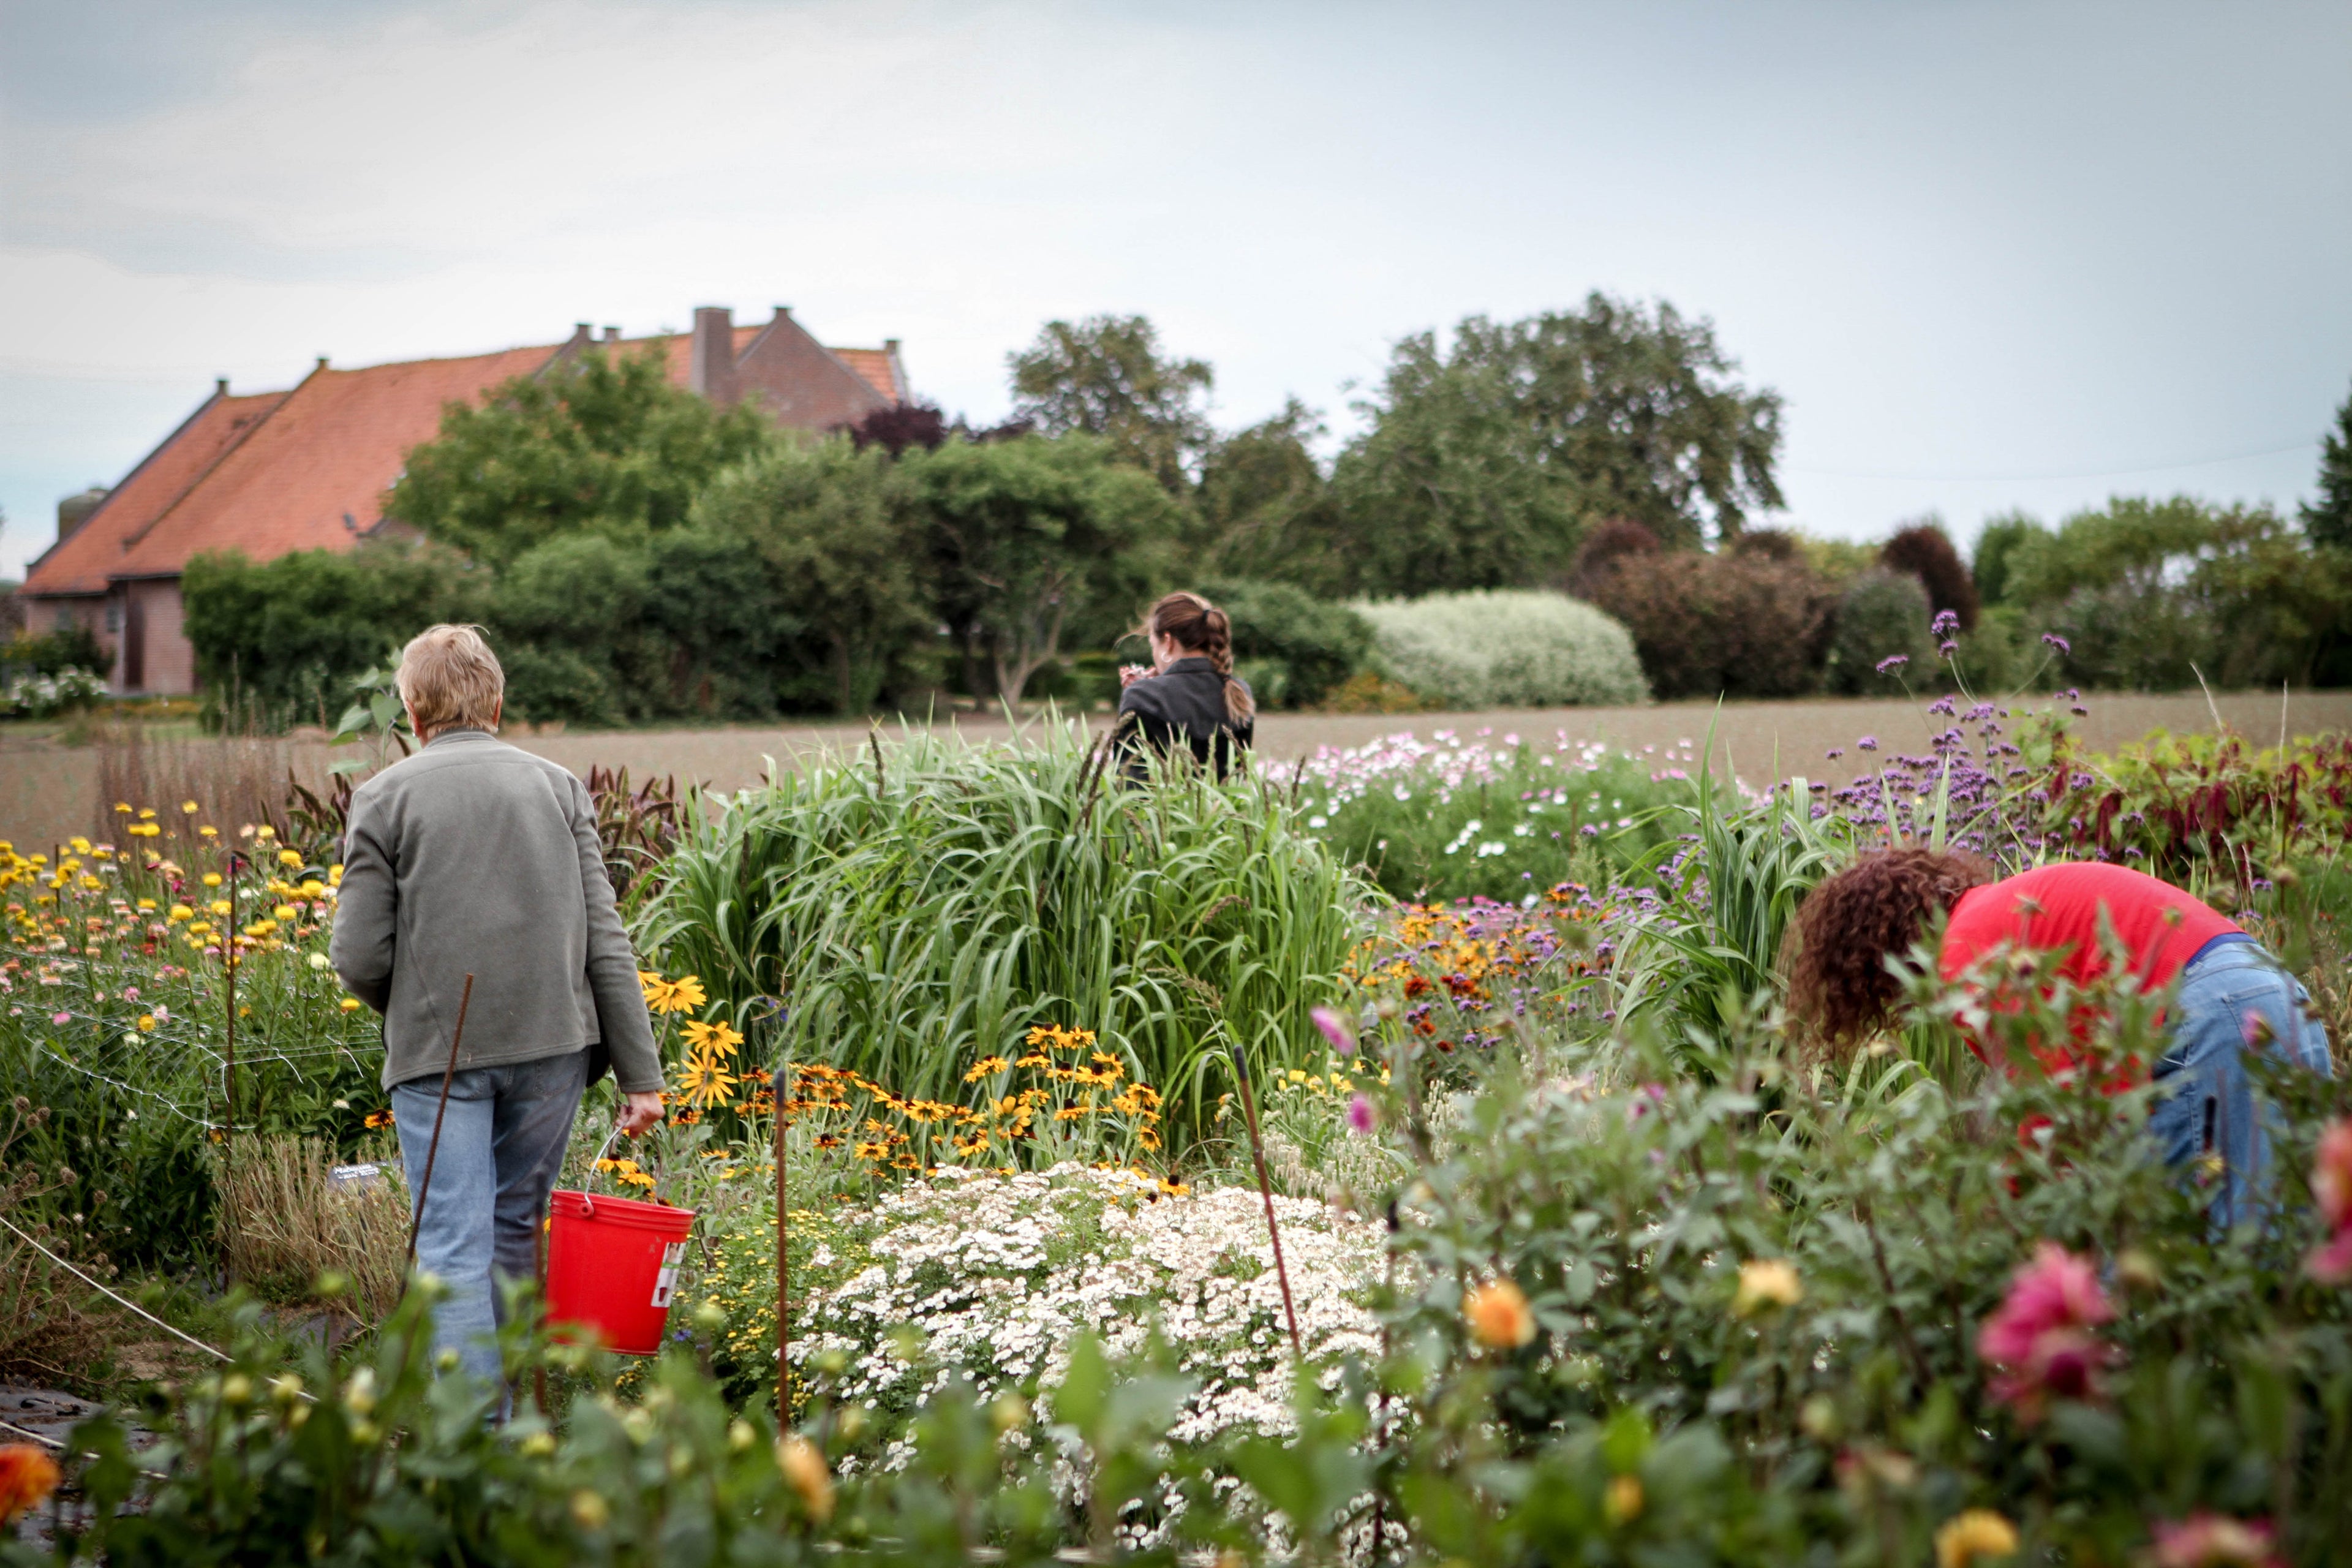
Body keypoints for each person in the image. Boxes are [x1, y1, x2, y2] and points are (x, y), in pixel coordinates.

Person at [331, 625, 665, 1398]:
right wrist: (640, 1076)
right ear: (498, 702)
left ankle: (475, 1442)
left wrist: (413, 1005)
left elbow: (356, 954)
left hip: (438, 1054)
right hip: (555, 1049)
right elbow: (605, 939)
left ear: (412, 711)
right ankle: (513, 1432)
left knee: (450, 1242)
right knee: (514, 1227)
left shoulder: (383, 796)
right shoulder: (558, 787)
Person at [1789, 851, 2332, 1226]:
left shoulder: (1960, 953)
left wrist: (2008, 1217)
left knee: (2183, 1264)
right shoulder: (2003, 909)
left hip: (2211, 1015)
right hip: (2279, 997)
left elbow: (2051, 1106)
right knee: (2288, 1246)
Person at [1114, 591, 1256, 780]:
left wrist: (1137, 697)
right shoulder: (1239, 691)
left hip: (1162, 809)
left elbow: (1129, 780)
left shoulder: (1143, 696)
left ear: (1168, 642)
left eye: (1153, 645)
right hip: (1222, 809)